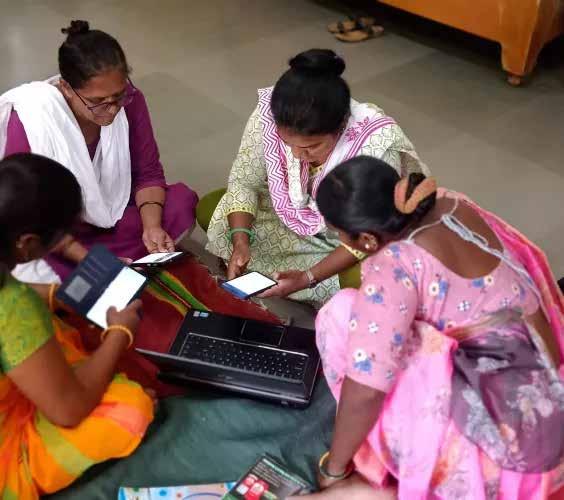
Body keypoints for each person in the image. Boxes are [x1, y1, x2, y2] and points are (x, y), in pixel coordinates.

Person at [303, 156, 564, 499]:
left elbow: (366, 390)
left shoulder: (395, 266)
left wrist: (333, 468)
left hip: (507, 430)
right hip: (545, 370)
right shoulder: (451, 202)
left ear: (366, 239)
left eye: (340, 235)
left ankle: (388, 470)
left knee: (340, 315)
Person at [205, 49, 429, 307]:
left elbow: (371, 232)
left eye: (311, 147)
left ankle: (310, 285)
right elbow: (245, 182)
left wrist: (308, 277)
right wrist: (241, 241)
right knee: (218, 214)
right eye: (287, 142)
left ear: (341, 125)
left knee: (372, 276)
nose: (297, 155)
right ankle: (314, 288)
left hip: (349, 238)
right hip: (290, 222)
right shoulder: (269, 115)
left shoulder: (375, 147)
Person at [0, 153, 153, 499]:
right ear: (27, 243)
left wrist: (56, 296)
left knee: (57, 331)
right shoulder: (15, 308)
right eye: (58, 237)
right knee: (131, 407)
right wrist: (118, 333)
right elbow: (68, 410)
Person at [0, 19, 198, 284]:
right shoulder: (32, 119)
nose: (113, 109)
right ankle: (107, 267)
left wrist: (152, 227)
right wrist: (89, 259)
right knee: (30, 264)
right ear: (66, 88)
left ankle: (111, 267)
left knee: (181, 205)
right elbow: (27, 216)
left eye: (119, 95)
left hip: (114, 214)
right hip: (57, 231)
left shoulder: (131, 101)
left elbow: (148, 173)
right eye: (97, 102)